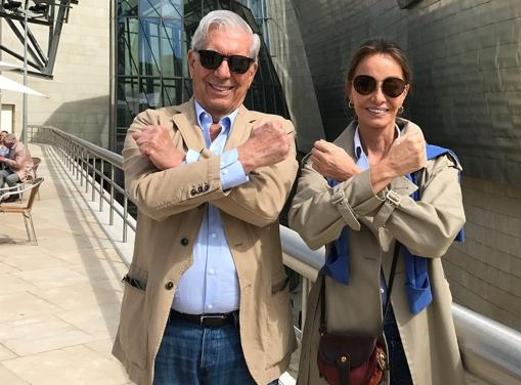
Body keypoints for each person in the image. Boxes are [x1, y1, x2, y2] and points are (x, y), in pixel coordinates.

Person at [112, 10, 298, 385]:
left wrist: (182, 163)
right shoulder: (152, 124)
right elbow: (150, 197)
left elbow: (265, 207)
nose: (224, 73)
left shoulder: (274, 130)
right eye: (212, 58)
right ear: (193, 61)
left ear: (253, 70)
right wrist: (244, 160)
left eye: (238, 62)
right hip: (166, 331)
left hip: (247, 334)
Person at [289, 39, 466, 385]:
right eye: (365, 84)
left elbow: (435, 236)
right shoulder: (323, 159)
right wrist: (382, 176)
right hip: (345, 328)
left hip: (417, 325)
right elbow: (309, 227)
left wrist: (355, 179)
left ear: (404, 94)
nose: (378, 97)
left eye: (392, 86)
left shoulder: (435, 162)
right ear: (350, 92)